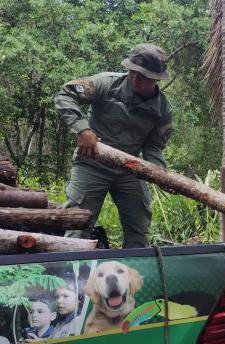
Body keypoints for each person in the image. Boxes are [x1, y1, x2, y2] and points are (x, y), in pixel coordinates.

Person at [55, 43, 173, 248]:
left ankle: (135, 275)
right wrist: (83, 129)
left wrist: (158, 171)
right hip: (91, 164)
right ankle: (70, 275)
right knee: (76, 224)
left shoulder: (163, 109)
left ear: (156, 79)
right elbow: (65, 94)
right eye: (132, 72)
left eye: (143, 76)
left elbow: (154, 146)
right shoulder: (105, 83)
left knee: (138, 229)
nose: (135, 79)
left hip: (130, 171)